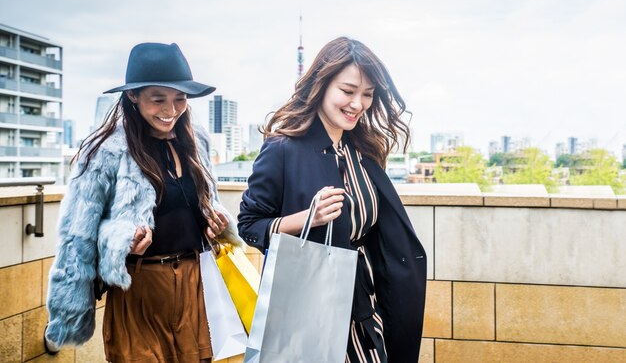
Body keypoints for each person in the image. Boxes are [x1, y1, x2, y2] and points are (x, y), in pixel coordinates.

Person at [44, 42, 243, 363]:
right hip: (139, 289)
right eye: (158, 99)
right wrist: (122, 242)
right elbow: (77, 238)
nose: (171, 109)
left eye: (180, 99)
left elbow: (202, 204)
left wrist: (215, 223)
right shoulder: (103, 152)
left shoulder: (197, 141)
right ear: (133, 96)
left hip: (195, 285)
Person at [238, 36, 427, 362]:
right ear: (322, 85)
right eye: (348, 91)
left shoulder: (366, 151)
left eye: (367, 95)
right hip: (308, 313)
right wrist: (307, 218)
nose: (358, 104)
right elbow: (249, 225)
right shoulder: (282, 149)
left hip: (365, 309)